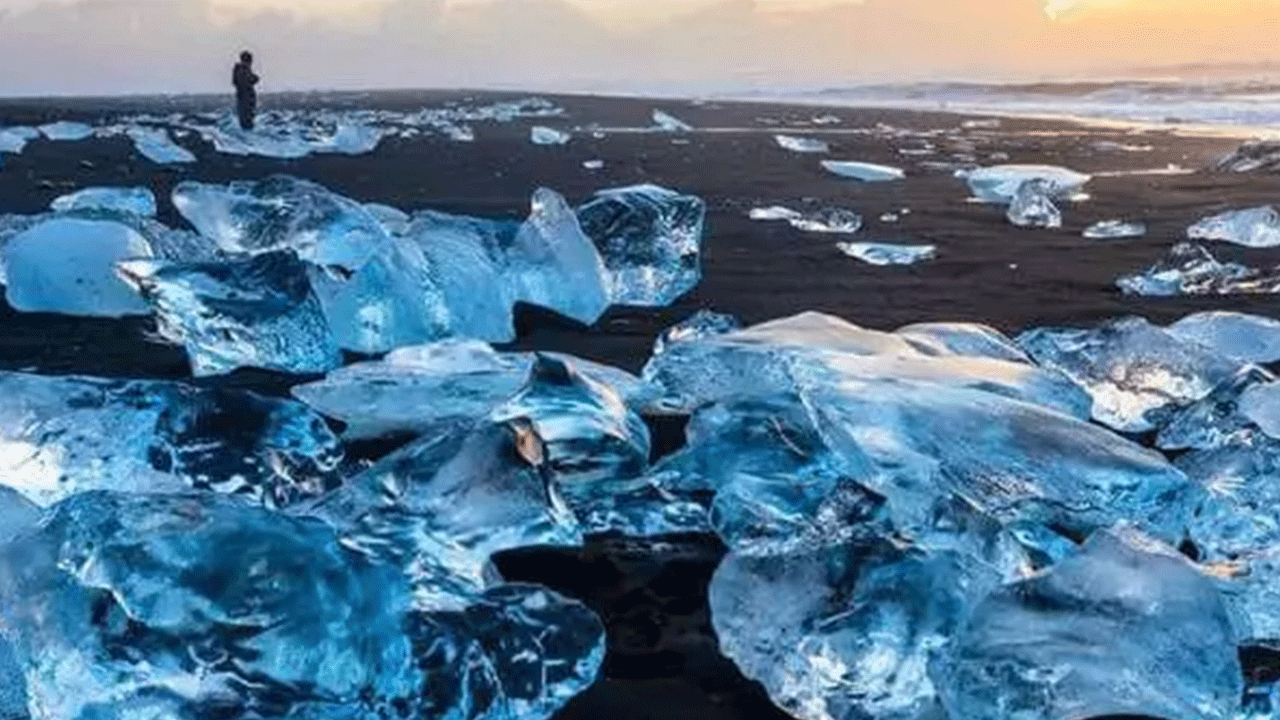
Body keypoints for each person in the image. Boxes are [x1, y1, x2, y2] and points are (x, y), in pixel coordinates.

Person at [232, 51, 259, 131]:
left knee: (246, 120)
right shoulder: (243, 70)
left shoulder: (239, 69)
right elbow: (247, 81)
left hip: (244, 98)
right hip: (245, 98)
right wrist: (255, 78)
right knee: (247, 121)